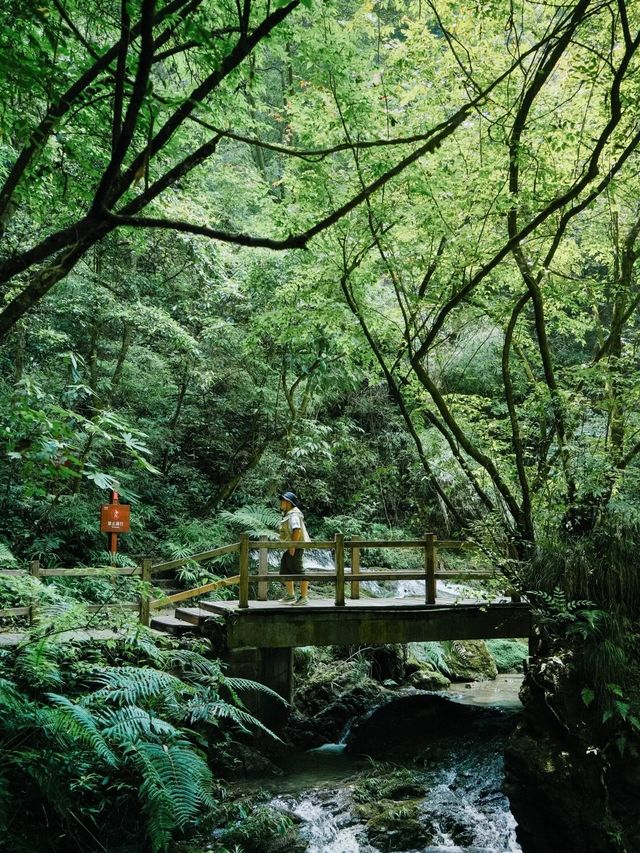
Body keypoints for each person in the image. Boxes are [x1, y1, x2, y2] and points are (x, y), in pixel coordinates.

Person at [278, 491, 310, 605]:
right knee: (285, 569)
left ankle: (304, 597)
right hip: (290, 546)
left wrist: (293, 546)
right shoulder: (289, 514)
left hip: (295, 546)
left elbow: (297, 530)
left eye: (283, 501)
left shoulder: (294, 515)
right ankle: (291, 595)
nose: (281, 503)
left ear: (288, 503)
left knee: (299, 571)